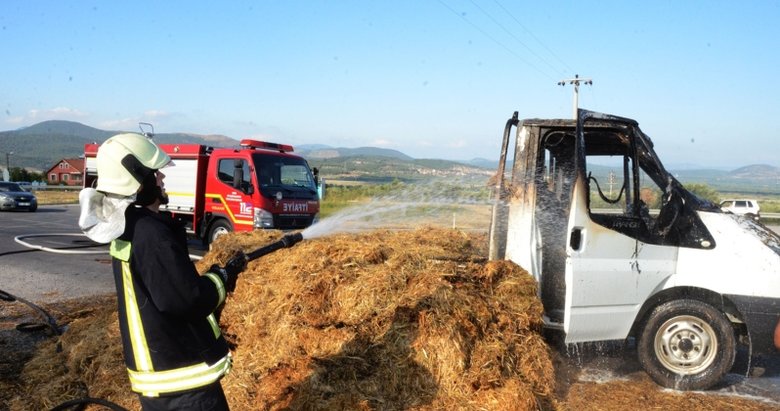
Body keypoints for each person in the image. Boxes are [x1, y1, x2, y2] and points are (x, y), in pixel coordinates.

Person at [78, 133, 247, 410]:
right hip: (182, 381)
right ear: (138, 179)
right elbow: (185, 299)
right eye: (155, 174)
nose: (162, 179)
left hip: (161, 377)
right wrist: (222, 277)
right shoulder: (151, 234)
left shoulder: (129, 227)